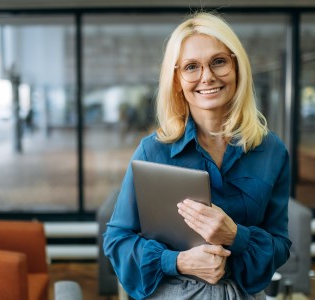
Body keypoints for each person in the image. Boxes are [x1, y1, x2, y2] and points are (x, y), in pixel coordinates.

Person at [103, 11, 291, 300]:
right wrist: (178, 261)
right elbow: (117, 241)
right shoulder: (153, 150)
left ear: (237, 67)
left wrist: (235, 236)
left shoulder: (272, 151)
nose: (207, 77)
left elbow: (280, 245)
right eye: (191, 67)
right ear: (177, 79)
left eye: (219, 61)